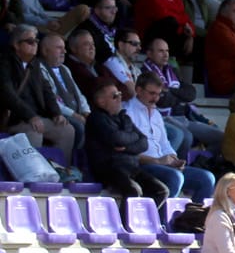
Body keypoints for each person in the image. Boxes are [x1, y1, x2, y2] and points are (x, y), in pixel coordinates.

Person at [126, 72, 216, 201]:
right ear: (138, 90)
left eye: (159, 94)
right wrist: (157, 161)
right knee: (175, 177)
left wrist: (174, 159)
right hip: (143, 166)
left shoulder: (156, 113)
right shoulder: (128, 112)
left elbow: (165, 145)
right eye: (152, 93)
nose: (156, 99)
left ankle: (191, 219)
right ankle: (162, 219)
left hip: (162, 165)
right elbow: (129, 154)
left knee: (207, 178)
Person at [0, 26, 76, 159]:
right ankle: (35, 174)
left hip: (36, 117)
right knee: (34, 131)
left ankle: (61, 170)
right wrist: (30, 116)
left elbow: (47, 91)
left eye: (36, 41)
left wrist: (56, 113)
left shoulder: (35, 64)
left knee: (67, 130)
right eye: (30, 41)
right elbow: (8, 95)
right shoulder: (4, 63)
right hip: (15, 120)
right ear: (16, 45)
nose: (35, 44)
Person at [87, 80, 166, 201]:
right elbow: (117, 139)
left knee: (161, 191)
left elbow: (144, 142)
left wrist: (127, 147)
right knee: (133, 191)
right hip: (109, 168)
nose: (120, 98)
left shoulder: (124, 117)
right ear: (101, 101)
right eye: (115, 96)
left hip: (130, 167)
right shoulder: (96, 118)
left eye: (120, 94)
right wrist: (133, 136)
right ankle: (125, 220)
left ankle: (148, 219)